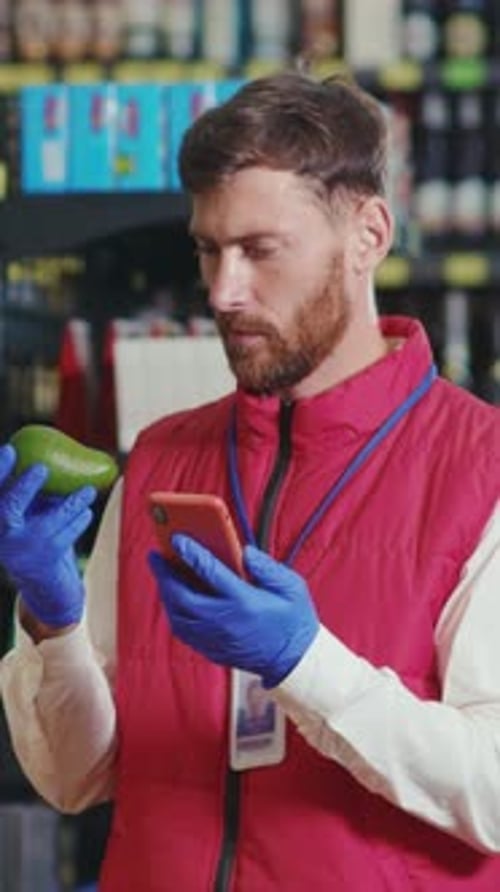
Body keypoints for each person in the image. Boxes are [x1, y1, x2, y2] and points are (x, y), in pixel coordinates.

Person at [0, 71, 499, 892]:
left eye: (261, 251)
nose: (224, 292)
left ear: (368, 234)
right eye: (208, 250)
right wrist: (53, 628)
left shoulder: (482, 471)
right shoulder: (163, 459)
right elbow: (75, 778)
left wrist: (305, 664)